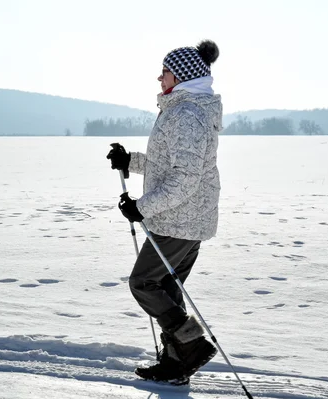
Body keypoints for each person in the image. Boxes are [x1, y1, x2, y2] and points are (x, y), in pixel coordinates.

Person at [106, 40, 222, 384]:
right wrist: (132, 162)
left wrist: (141, 208)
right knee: (167, 288)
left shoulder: (187, 115)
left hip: (178, 219)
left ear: (182, 76)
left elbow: (184, 179)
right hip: (188, 217)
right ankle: (177, 364)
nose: (160, 77)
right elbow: (168, 167)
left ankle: (192, 345)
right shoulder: (185, 109)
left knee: (144, 282)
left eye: (166, 71)